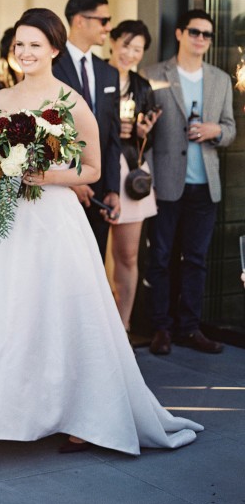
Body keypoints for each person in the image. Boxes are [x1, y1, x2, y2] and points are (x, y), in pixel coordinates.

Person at [0, 7, 202, 473]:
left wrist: (43, 172)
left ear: (54, 48)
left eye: (35, 44)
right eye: (19, 45)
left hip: (53, 221)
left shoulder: (69, 98)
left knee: (63, 317)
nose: (25, 53)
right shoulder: (0, 99)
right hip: (4, 220)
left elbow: (92, 168)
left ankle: (81, 417)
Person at [142, 9, 236, 356]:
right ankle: (161, 329)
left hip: (205, 185)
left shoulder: (220, 79)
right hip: (165, 181)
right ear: (180, 33)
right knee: (161, 257)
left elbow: (230, 129)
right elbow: (142, 132)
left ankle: (190, 328)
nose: (200, 39)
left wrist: (216, 132)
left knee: (196, 259)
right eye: (194, 32)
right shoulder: (152, 75)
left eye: (207, 35)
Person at [52, 0, 121, 259]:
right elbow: (44, 130)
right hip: (60, 187)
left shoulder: (108, 72)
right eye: (104, 20)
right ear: (80, 20)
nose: (109, 27)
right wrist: (71, 178)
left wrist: (113, 188)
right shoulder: (52, 66)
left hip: (100, 190)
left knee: (95, 265)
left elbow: (112, 135)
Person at [107, 20, 161, 333]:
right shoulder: (97, 75)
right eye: (126, 45)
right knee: (93, 251)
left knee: (127, 254)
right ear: (112, 41)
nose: (130, 53)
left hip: (131, 172)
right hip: (99, 168)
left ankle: (122, 326)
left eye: (137, 49)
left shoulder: (142, 87)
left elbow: (149, 143)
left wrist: (142, 134)